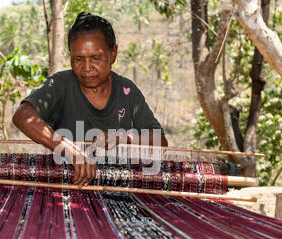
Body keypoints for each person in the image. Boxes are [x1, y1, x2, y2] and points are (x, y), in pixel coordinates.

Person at [12, 12, 168, 187]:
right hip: (66, 190)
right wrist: (69, 150)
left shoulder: (127, 91)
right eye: (78, 59)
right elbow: (23, 116)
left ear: (113, 53)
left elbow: (160, 141)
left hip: (118, 193)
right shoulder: (60, 84)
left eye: (96, 58)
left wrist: (124, 138)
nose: (87, 68)